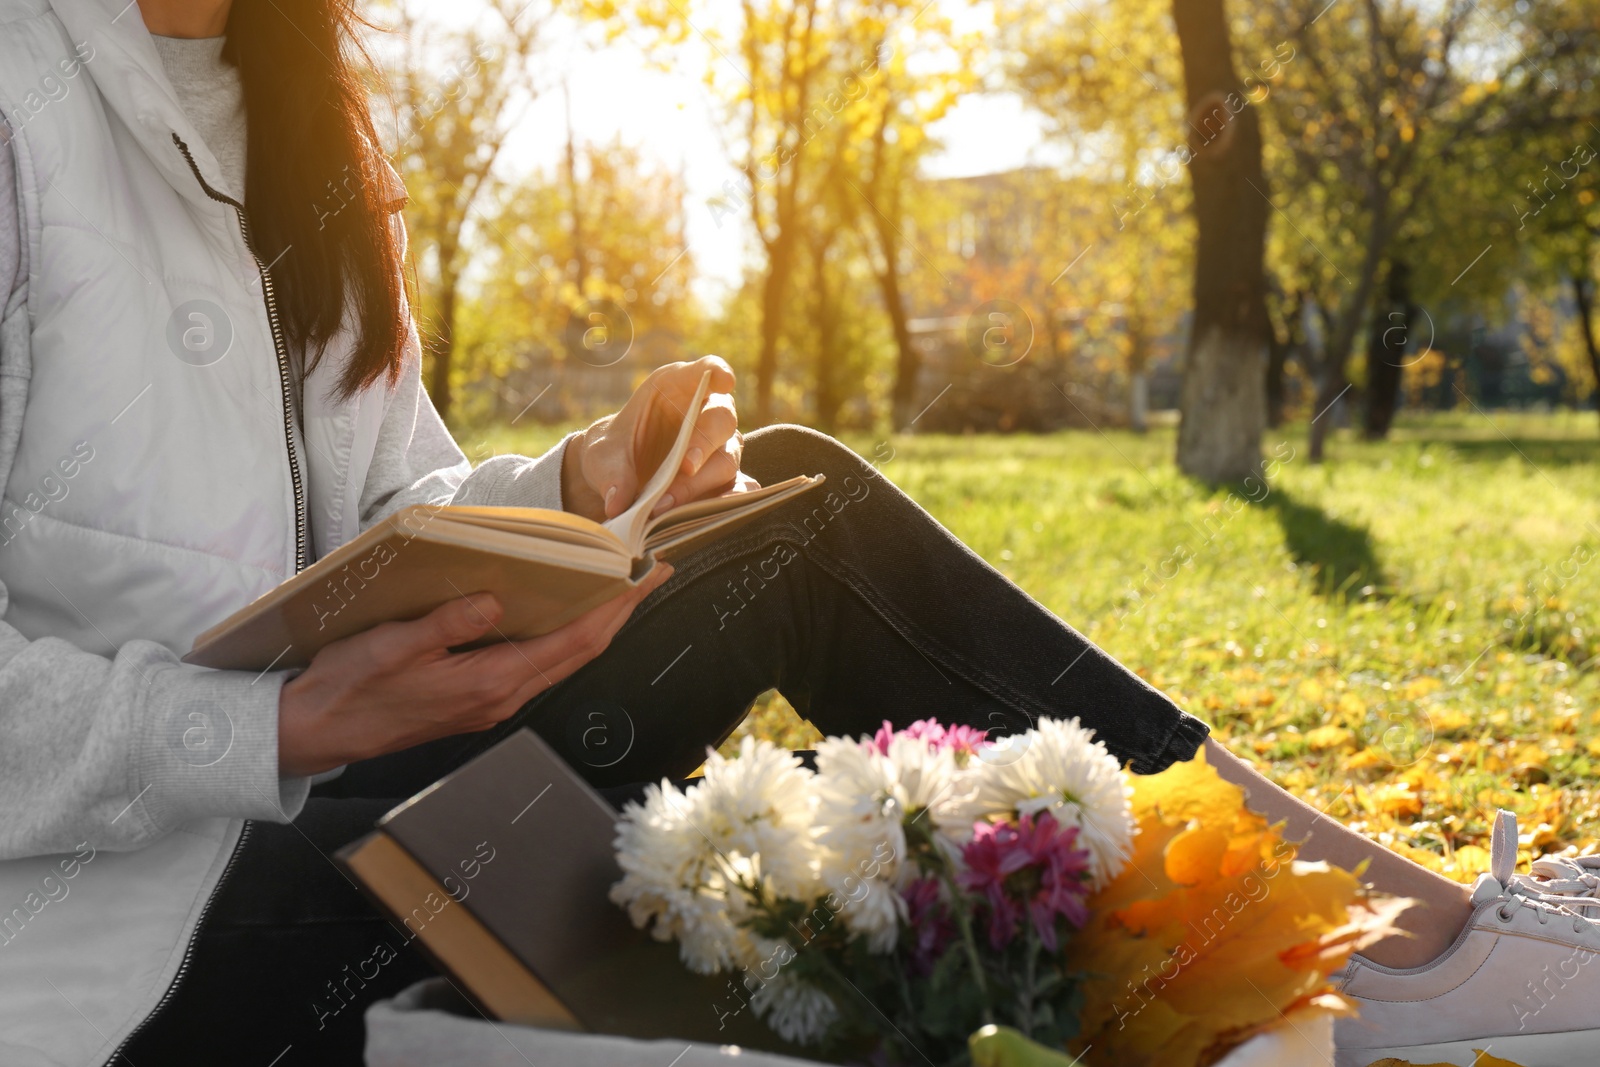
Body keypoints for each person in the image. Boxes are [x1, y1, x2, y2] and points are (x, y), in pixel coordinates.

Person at [0, 0, 1595, 1065]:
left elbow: (375, 517)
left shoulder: (290, 110)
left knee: (775, 497)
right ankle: (1383, 955)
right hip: (113, 970)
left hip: (322, 825)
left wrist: (575, 494)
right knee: (810, 525)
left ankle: (1335, 940)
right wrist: (252, 724)